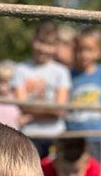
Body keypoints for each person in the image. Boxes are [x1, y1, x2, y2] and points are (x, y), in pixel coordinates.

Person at [13, 21, 71, 158]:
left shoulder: (61, 71)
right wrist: (50, 109)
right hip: (29, 135)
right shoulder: (20, 69)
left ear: (56, 46)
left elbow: (60, 109)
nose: (44, 49)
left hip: (56, 134)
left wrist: (31, 115)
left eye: (49, 44)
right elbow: (22, 106)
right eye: (41, 42)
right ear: (33, 41)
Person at [65, 27, 101, 162]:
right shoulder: (69, 74)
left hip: (95, 133)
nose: (84, 54)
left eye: (89, 50)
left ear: (98, 51)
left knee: (95, 168)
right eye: (80, 50)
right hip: (73, 133)